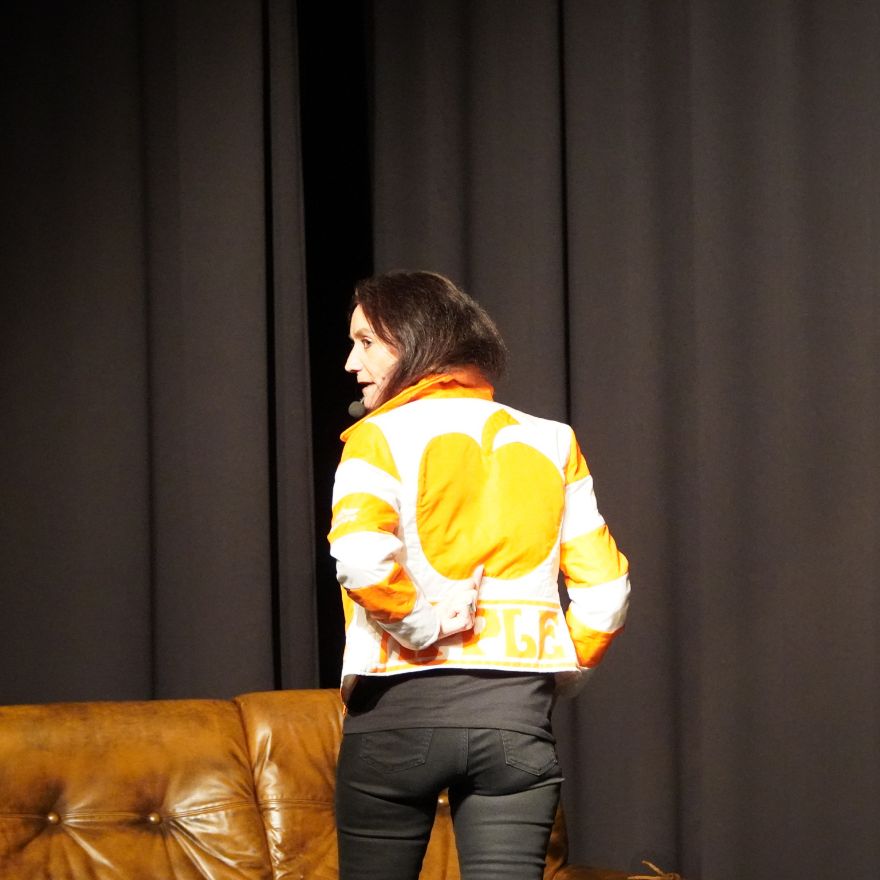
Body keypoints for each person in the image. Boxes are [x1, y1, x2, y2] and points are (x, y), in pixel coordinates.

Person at [328, 270, 630, 880]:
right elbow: (606, 589)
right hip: (516, 726)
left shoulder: (374, 437)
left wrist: (422, 626)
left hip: (397, 723)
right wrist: (560, 670)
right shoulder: (553, 441)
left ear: (416, 340)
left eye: (366, 342)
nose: (350, 363)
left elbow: (360, 557)